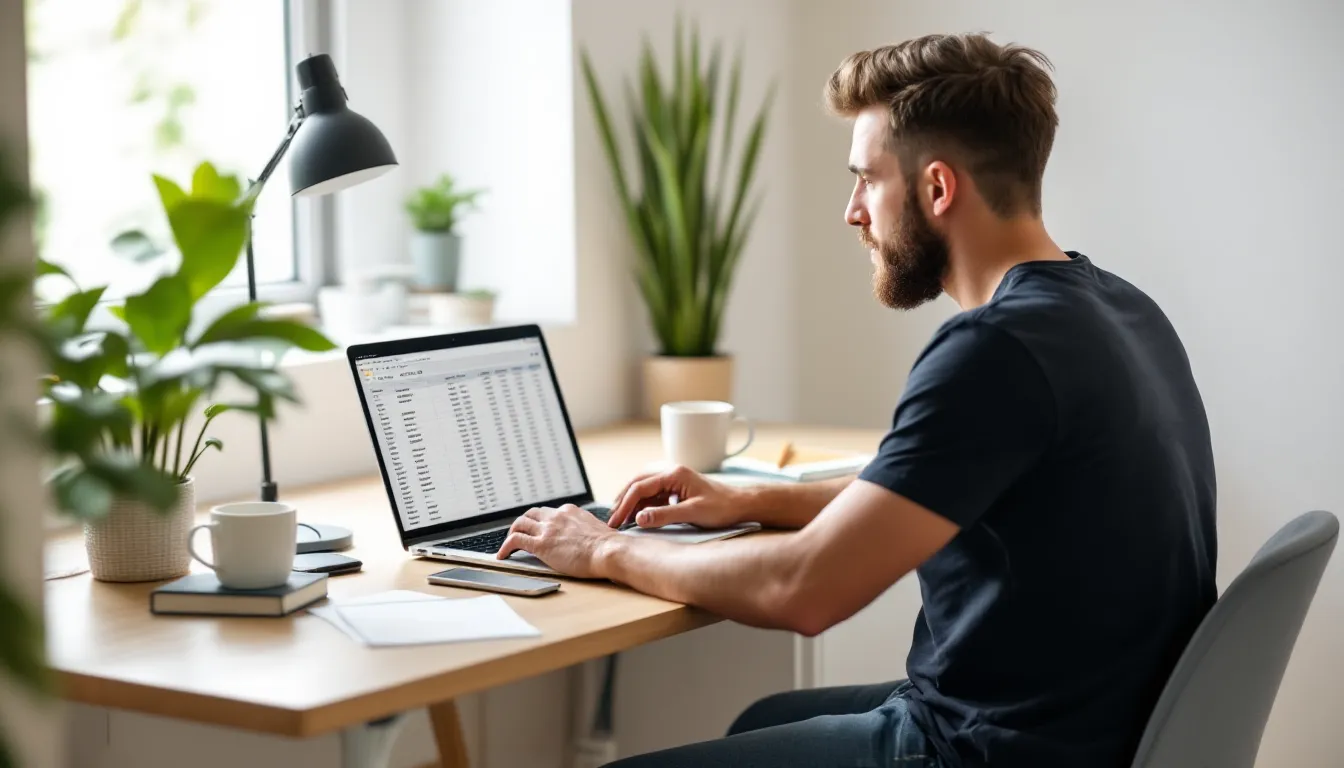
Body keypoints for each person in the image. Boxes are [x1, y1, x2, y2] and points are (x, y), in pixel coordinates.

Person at [497, 32, 1217, 768]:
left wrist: (604, 547)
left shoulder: (994, 350)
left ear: (938, 189)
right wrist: (745, 499)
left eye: (866, 180)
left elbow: (801, 590)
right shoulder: (1120, 311)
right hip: (1080, 727)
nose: (852, 211)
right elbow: (919, 492)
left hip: (983, 749)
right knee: (761, 719)